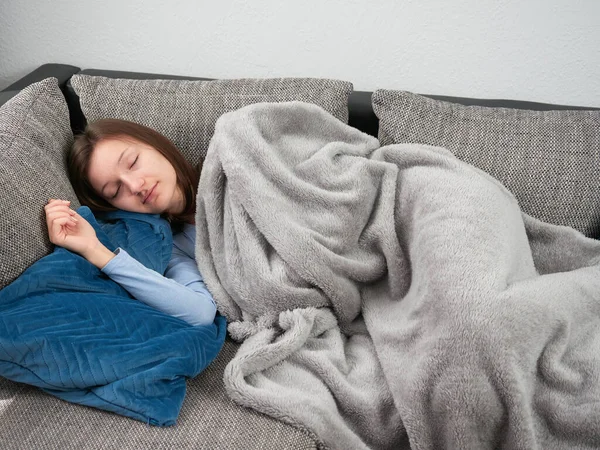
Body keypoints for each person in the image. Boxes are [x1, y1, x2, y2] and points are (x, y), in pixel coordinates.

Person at [44, 119, 217, 327]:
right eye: (115, 191)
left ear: (154, 143)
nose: (135, 186)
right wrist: (96, 250)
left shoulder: (226, 163)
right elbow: (201, 312)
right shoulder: (173, 247)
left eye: (133, 162)